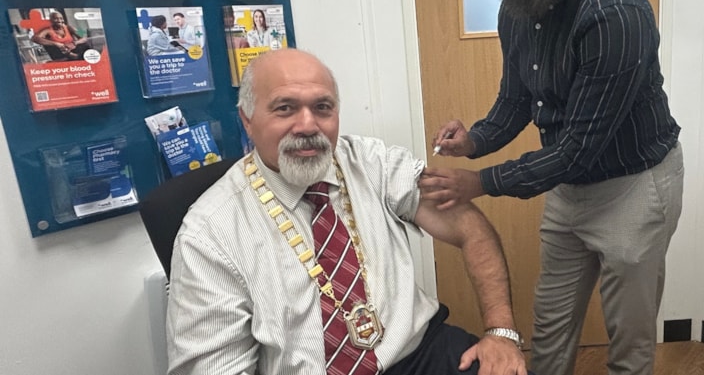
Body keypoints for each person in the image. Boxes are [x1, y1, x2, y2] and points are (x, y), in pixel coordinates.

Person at [419, 0, 684, 375]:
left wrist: (480, 182)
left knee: (628, 341)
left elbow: (578, 148)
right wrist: (473, 141)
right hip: (569, 186)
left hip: (634, 187)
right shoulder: (517, 4)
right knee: (551, 324)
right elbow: (516, 101)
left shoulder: (615, 14)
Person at [166, 48, 528, 375]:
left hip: (421, 356)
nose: (308, 125)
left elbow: (468, 225)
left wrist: (502, 331)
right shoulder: (209, 233)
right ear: (247, 119)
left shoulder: (374, 164)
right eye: (285, 108)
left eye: (322, 107)